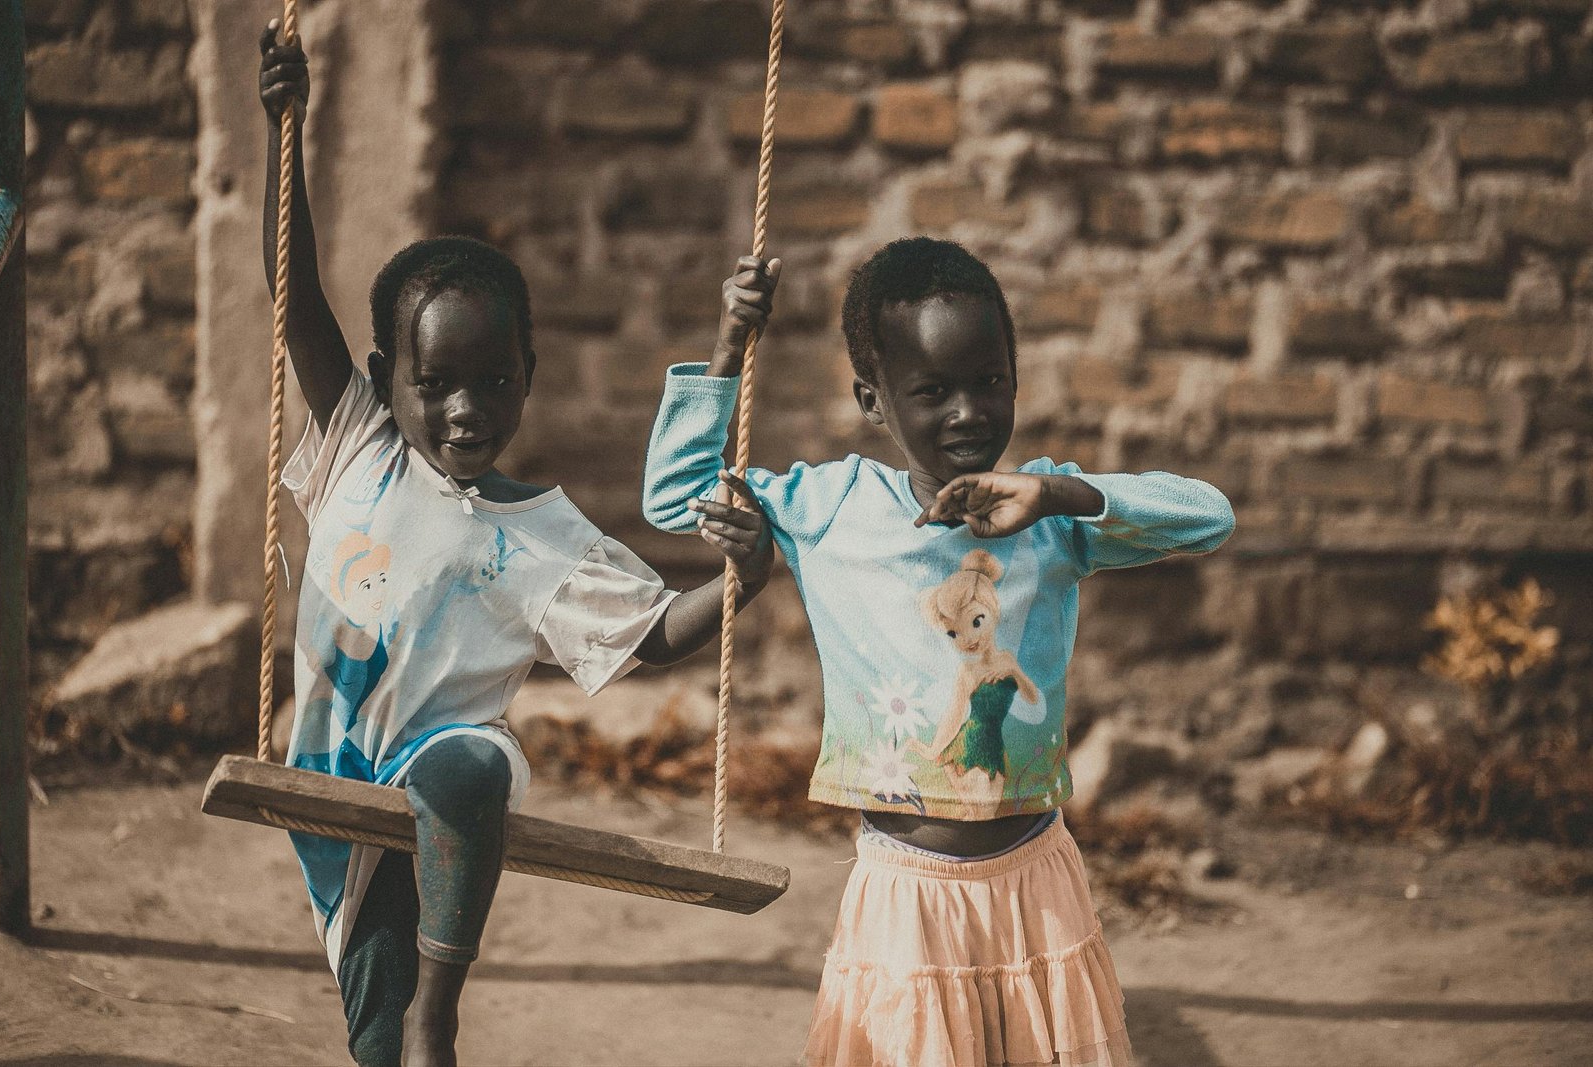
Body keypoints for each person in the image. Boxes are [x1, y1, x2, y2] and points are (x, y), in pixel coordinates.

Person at [257, 23, 773, 1067]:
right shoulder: (360, 446)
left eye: (493, 381)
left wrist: (744, 578)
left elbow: (656, 637)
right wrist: (288, 129)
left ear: (529, 375)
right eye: (434, 382)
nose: (463, 409)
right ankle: (405, 1021)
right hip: (331, 774)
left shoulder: (542, 535)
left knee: (465, 773)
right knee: (373, 1036)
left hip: (448, 760)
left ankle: (442, 1004)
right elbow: (293, 294)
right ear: (381, 377)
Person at [643, 237, 1236, 1066]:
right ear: (873, 400)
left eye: (989, 382)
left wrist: (1059, 492)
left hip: (1038, 882)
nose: (967, 411)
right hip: (907, 892)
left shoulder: (1046, 514)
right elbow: (674, 497)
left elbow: (1208, 516)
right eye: (932, 391)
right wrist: (727, 347)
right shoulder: (829, 507)